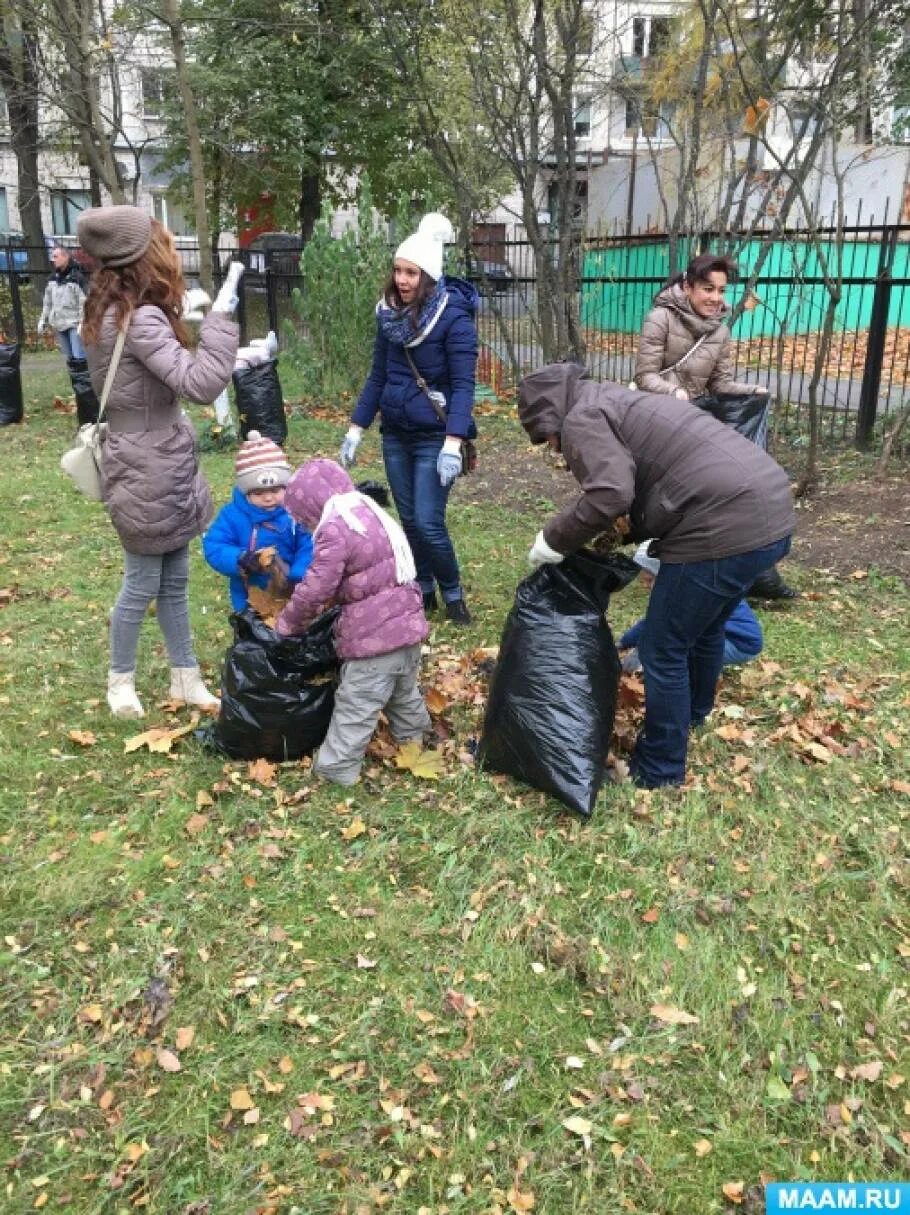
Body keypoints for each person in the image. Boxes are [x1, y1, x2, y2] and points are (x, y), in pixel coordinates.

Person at [518, 362, 795, 789]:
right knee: (706, 629)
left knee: (663, 649)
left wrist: (553, 540)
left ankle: (659, 769)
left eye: (548, 438)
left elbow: (610, 492)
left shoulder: (582, 418)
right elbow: (652, 477)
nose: (555, 448)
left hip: (721, 525)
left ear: (550, 417)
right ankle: (694, 713)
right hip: (771, 514)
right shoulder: (612, 399)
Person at [78, 204, 244, 719]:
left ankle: (185, 679)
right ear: (146, 254)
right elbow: (199, 384)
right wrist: (220, 317)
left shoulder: (111, 309)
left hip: (154, 459)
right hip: (147, 465)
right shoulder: (138, 317)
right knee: (142, 583)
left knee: (173, 580)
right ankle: (120, 683)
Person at [339, 212, 478, 625]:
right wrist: (355, 429)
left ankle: (453, 595)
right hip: (396, 434)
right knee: (409, 521)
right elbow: (378, 376)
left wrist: (453, 443)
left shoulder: (454, 319)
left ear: (429, 277)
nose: (401, 280)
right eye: (398, 270)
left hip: (434, 437)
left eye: (411, 273)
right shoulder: (388, 317)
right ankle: (424, 589)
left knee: (429, 521)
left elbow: (464, 386)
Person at [634, 252, 796, 601]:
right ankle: (650, 559)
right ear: (688, 286)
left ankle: (677, 561)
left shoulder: (719, 330)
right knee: (661, 496)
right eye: (708, 288)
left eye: (721, 291)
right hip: (654, 417)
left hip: (690, 423)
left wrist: (754, 392)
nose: (715, 298)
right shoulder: (660, 318)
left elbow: (720, 385)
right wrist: (673, 392)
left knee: (702, 491)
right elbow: (644, 376)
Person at [275, 458, 431, 786]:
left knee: (355, 706)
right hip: (407, 627)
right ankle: (417, 741)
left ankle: (336, 771)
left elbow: (316, 588)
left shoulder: (335, 528)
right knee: (403, 692)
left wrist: (289, 624)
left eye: (303, 520)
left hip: (375, 641)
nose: (305, 527)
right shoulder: (368, 511)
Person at [203, 430, 314, 611]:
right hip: (249, 598)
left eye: (276, 490)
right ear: (246, 493)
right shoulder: (232, 515)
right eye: (259, 493)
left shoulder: (296, 513)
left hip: (294, 595)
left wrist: (297, 575)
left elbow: (309, 544)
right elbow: (214, 545)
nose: (268, 498)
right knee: (255, 636)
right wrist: (239, 558)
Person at [618, 541, 763, 674]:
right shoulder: (682, 585)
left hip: (740, 643)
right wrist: (623, 642)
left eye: (649, 580)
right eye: (643, 581)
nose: (645, 586)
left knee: (672, 648)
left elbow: (668, 631)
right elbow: (651, 621)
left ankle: (701, 672)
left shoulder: (688, 593)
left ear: (665, 574)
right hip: (724, 636)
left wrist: (641, 652)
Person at [38, 245, 88, 361]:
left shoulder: (77, 278)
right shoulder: (52, 279)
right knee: (69, 358)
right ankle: (74, 379)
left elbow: (84, 303)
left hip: (74, 324)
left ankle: (82, 379)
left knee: (79, 357)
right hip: (59, 324)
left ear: (65, 257)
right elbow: (47, 303)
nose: (53, 259)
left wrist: (82, 322)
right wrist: (42, 319)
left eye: (56, 256)